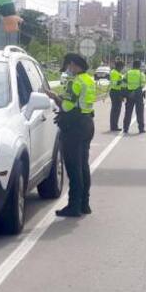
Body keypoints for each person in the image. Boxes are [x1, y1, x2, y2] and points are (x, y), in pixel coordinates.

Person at [49, 53, 96, 217]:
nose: (68, 70)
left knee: (74, 168)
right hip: (88, 123)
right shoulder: (89, 80)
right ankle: (84, 204)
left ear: (74, 65)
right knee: (83, 166)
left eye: (69, 66)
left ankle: (73, 207)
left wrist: (55, 97)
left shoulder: (75, 82)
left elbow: (67, 107)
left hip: (74, 127)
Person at [122, 58, 146, 134]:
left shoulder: (128, 73)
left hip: (129, 94)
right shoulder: (140, 74)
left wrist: (127, 92)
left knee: (128, 112)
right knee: (139, 112)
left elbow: (123, 83)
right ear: (139, 66)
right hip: (138, 94)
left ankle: (125, 128)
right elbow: (143, 84)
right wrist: (136, 89)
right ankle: (141, 128)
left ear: (133, 65)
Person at [108, 59, 126, 132]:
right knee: (116, 110)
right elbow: (116, 83)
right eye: (122, 67)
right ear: (119, 66)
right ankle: (114, 126)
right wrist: (123, 80)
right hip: (115, 92)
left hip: (116, 91)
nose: (122, 69)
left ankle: (114, 125)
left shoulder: (115, 72)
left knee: (116, 110)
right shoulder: (115, 73)